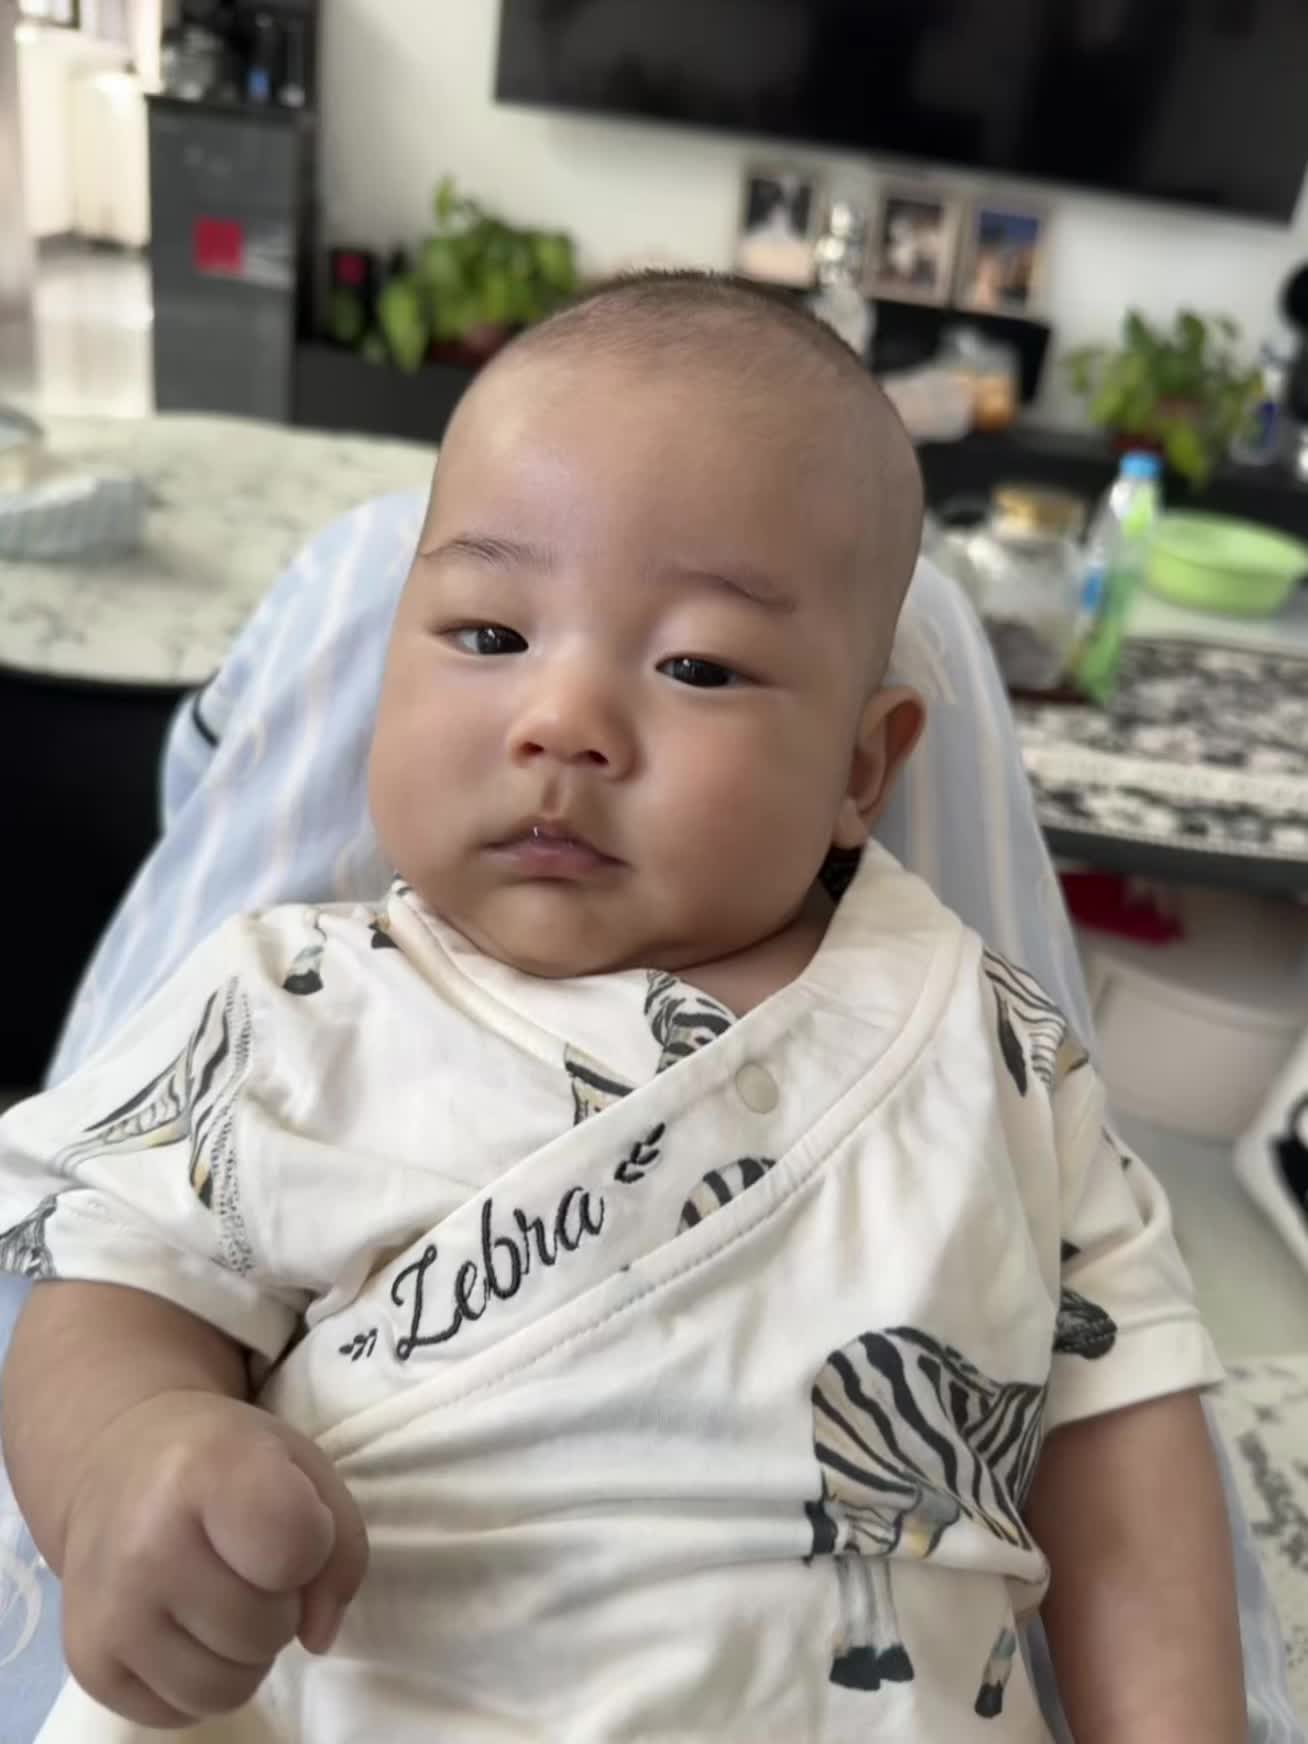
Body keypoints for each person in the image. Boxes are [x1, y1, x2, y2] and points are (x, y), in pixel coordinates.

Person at [0, 274, 1246, 1742]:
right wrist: (130, 1455)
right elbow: (107, 1290)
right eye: (487, 636)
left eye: (697, 666)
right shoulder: (289, 1004)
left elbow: (1126, 1467)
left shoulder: (993, 1049)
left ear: (863, 769)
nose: (564, 722)